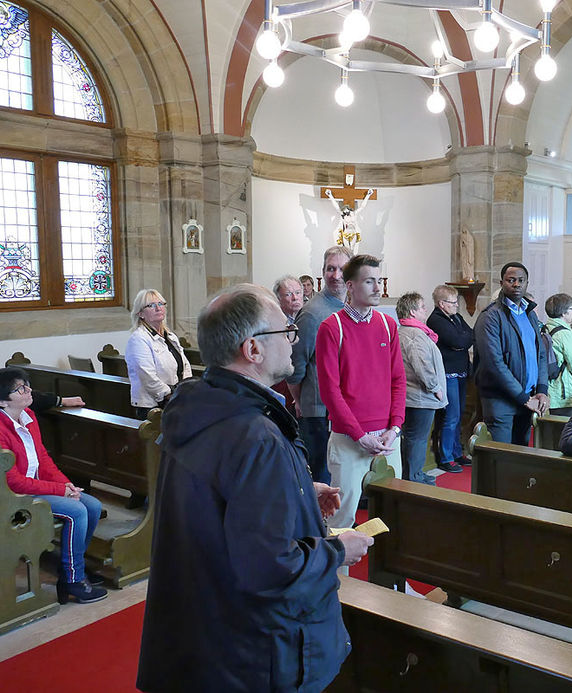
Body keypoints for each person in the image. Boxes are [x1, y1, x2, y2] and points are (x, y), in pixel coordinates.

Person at [136, 284, 373, 692]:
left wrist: (297, 488)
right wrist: (338, 550)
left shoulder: (201, 406)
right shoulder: (254, 434)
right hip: (256, 650)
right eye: (286, 332)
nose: (294, 340)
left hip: (208, 626)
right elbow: (270, 567)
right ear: (253, 349)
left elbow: (216, 505)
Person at [0, 367, 107, 604]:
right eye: (20, 388)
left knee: (92, 505)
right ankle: (73, 580)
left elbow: (43, 460)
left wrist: (66, 484)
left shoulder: (29, 416)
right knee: (76, 511)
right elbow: (13, 481)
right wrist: (59, 491)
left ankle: (71, 569)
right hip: (12, 496)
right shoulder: (0, 428)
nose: (28, 391)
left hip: (35, 486)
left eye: (27, 385)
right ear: (3, 401)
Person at [316, 254, 405, 530]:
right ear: (350, 286)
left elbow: (398, 380)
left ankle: (391, 576)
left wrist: (395, 427)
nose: (378, 288)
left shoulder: (388, 325)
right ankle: (338, 574)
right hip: (349, 440)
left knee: (392, 514)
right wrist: (360, 435)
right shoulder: (332, 328)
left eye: (379, 281)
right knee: (342, 518)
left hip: (388, 439)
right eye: (370, 281)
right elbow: (330, 391)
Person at [288, 246, 353, 484]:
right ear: (322, 272)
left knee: (342, 475)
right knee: (322, 476)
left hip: (344, 407)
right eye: (330, 269)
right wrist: (301, 400)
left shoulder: (351, 307)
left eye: (342, 268)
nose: (336, 275)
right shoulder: (313, 313)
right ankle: (321, 522)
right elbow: (295, 366)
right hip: (318, 412)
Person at [473, 262, 549, 445]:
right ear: (501, 283)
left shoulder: (529, 313)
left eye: (521, 280)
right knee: (502, 456)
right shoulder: (490, 316)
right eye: (511, 280)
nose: (516, 284)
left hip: (527, 397)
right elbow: (494, 364)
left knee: (520, 455)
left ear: (527, 283)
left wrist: (542, 390)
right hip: (501, 400)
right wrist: (523, 398)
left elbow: (540, 354)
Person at [397, 292, 447, 484]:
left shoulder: (407, 331)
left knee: (413, 438)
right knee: (416, 440)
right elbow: (422, 365)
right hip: (419, 397)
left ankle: (413, 474)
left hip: (413, 396)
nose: (426, 310)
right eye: (422, 307)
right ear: (412, 311)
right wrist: (435, 388)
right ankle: (413, 477)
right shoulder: (414, 335)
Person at [427, 284, 474, 472]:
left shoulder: (455, 317)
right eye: (453, 302)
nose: (456, 306)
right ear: (441, 304)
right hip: (447, 374)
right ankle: (445, 456)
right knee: (450, 416)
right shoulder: (436, 320)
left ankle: (456, 452)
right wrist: (461, 342)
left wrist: (461, 341)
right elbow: (457, 341)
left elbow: (470, 335)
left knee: (459, 414)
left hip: (461, 371)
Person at [125, 289, 192, 419]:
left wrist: (186, 389)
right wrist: (170, 395)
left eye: (161, 304)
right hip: (153, 407)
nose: (158, 308)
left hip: (176, 400)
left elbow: (185, 365)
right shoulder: (138, 339)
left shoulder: (171, 336)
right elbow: (147, 376)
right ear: (140, 313)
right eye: (151, 305)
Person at [544, 293, 572, 415]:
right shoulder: (566, 335)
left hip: (550, 388)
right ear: (564, 313)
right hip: (565, 392)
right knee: (566, 430)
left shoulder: (546, 328)